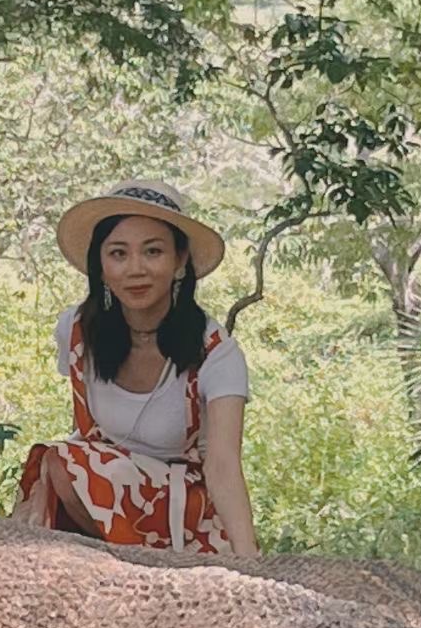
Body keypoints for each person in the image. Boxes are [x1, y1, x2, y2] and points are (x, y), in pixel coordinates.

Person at [13, 180, 258, 555]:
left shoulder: (215, 352)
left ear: (179, 262)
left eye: (153, 251)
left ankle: (146, 563)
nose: (136, 269)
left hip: (181, 505)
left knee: (69, 463)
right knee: (56, 461)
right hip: (97, 490)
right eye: (119, 254)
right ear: (102, 265)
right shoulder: (77, 331)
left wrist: (249, 558)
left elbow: (223, 465)